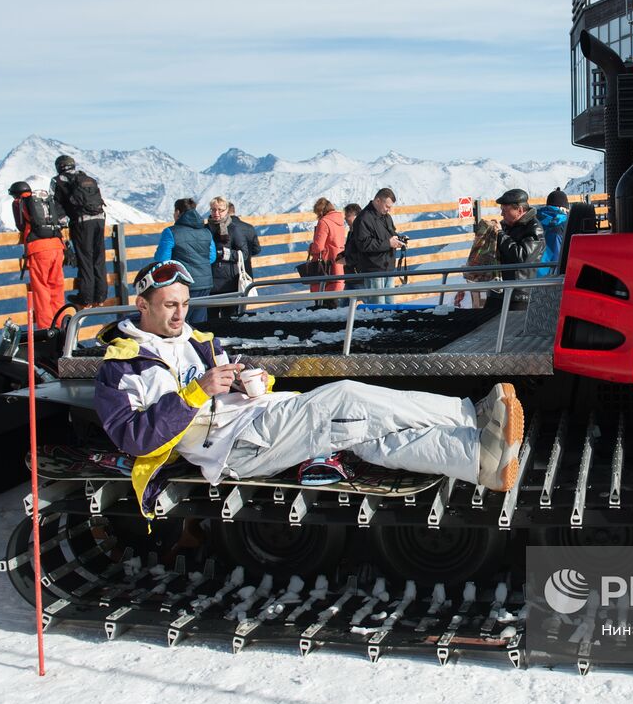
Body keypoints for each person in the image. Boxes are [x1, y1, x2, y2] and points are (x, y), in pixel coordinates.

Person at [93, 261, 525, 513]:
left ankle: (476, 457)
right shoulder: (122, 366)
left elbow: (229, 383)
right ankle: (467, 415)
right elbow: (134, 438)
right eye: (170, 306)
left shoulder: (199, 341)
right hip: (234, 446)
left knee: (364, 434)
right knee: (346, 396)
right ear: (142, 304)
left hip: (257, 418)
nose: (180, 315)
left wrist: (254, 383)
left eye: (185, 304)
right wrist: (196, 393)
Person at [51, 154, 108, 308]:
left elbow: (56, 204)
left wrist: (62, 222)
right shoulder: (86, 178)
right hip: (100, 219)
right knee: (99, 257)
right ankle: (101, 296)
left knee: (85, 259)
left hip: (82, 223)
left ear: (59, 167)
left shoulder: (58, 181)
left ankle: (86, 298)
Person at [9, 181, 67, 330]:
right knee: (57, 287)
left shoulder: (20, 202)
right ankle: (61, 323)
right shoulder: (45, 200)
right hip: (57, 245)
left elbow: (21, 225)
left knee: (41, 289)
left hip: (39, 249)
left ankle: (47, 328)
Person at [155, 198, 215, 323]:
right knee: (200, 323)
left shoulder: (170, 232)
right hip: (205, 283)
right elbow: (212, 257)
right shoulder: (206, 232)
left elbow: (162, 260)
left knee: (179, 321)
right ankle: (201, 342)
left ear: (177, 212)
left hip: (182, 284)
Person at [205, 196, 260, 326]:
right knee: (209, 319)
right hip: (209, 279)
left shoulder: (233, 229)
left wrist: (224, 253)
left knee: (228, 318)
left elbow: (244, 253)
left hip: (228, 281)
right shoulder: (206, 229)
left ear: (227, 211)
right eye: (213, 210)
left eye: (220, 210)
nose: (216, 213)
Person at [346, 188, 406, 305]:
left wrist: (398, 239)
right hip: (373, 270)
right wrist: (388, 243)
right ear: (378, 201)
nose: (389, 209)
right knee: (377, 309)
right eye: (387, 206)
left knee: (390, 307)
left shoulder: (386, 217)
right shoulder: (363, 219)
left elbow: (389, 235)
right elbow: (363, 244)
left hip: (388, 268)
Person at [487, 188, 545, 307]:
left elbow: (522, 256)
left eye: (505, 210)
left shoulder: (534, 229)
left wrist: (500, 235)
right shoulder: (506, 225)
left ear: (519, 210)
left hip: (518, 294)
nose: (502, 214)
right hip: (498, 290)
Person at [306, 197, 346, 304]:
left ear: (321, 211)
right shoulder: (340, 221)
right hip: (338, 266)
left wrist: (311, 248)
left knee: (323, 306)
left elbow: (318, 247)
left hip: (325, 269)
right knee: (334, 304)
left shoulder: (324, 222)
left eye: (317, 214)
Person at [538, 188, 570, 277]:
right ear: (563, 208)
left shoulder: (535, 220)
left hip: (532, 273)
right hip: (556, 275)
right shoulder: (565, 223)